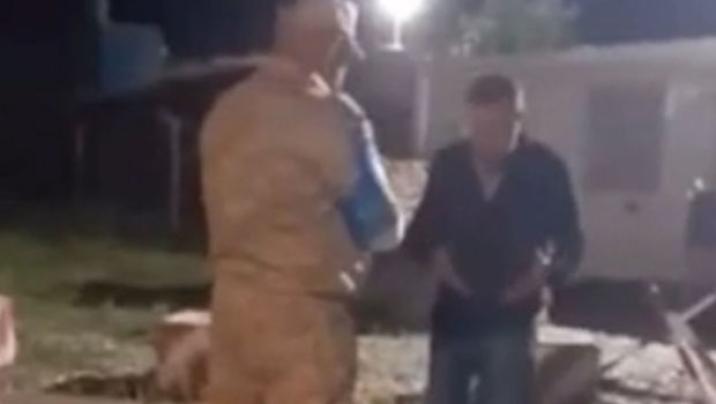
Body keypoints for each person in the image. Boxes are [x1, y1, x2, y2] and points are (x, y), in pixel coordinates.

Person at [199, 1, 367, 403]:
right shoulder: (334, 117)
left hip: (232, 315)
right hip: (305, 319)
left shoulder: (226, 110)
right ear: (334, 45)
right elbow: (382, 224)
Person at [403, 74, 583, 404]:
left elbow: (570, 243)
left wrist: (545, 271)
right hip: (453, 319)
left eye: (498, 128)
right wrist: (435, 257)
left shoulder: (546, 169)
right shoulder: (448, 164)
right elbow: (420, 234)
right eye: (478, 128)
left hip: (512, 321)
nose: (486, 139)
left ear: (518, 120)